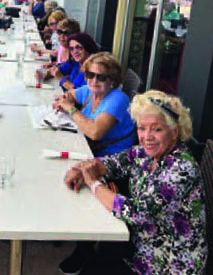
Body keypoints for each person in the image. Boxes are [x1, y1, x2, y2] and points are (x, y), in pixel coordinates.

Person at [61, 90, 207, 275]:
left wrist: (93, 183)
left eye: (157, 129)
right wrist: (81, 169)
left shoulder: (182, 169)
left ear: (174, 131)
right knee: (94, 264)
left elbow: (136, 212)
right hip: (141, 245)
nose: (147, 136)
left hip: (169, 264)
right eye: (142, 128)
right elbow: (113, 163)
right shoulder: (145, 152)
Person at [55, 52, 135, 157]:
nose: (94, 80)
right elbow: (71, 94)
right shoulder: (91, 90)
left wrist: (71, 108)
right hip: (85, 148)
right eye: (90, 75)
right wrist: (64, 100)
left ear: (112, 79)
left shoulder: (118, 99)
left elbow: (95, 133)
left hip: (108, 160)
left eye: (101, 77)